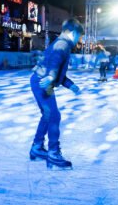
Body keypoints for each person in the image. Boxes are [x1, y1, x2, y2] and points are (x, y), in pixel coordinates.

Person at [29, 18, 83, 170]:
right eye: (79, 36)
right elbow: (54, 66)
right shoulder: (62, 44)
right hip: (42, 82)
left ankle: (37, 147)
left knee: (48, 115)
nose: (79, 39)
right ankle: (53, 152)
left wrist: (70, 85)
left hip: (41, 81)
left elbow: (57, 71)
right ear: (72, 33)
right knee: (53, 115)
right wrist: (51, 76)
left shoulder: (61, 43)